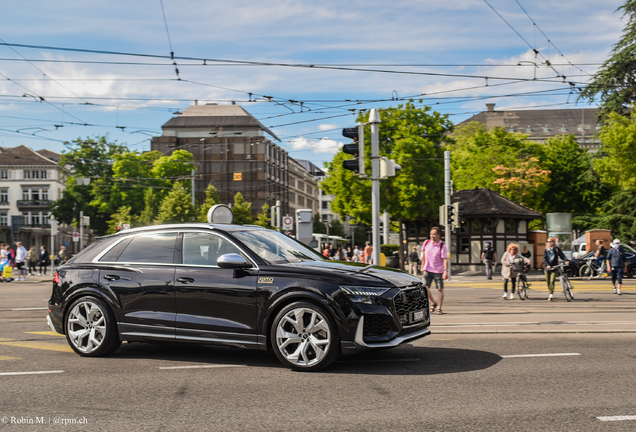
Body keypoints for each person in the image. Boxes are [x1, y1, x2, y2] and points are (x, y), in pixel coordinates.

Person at [420, 227, 448, 315]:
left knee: (440, 289)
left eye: (434, 234)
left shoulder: (442, 245)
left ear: (438, 235)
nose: (432, 236)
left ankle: (439, 307)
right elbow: (423, 256)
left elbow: (445, 259)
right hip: (427, 269)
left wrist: (445, 271)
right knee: (424, 288)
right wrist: (422, 266)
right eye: (431, 234)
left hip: (438, 270)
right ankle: (433, 302)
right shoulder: (426, 242)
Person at [543, 237, 568, 301]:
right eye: (548, 241)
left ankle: (551, 294)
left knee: (552, 281)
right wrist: (547, 265)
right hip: (547, 268)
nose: (549, 242)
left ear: (553, 242)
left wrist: (566, 260)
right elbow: (544, 259)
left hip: (554, 267)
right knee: (548, 282)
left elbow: (562, 256)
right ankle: (550, 292)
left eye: (550, 241)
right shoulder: (546, 249)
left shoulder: (557, 249)